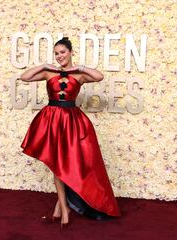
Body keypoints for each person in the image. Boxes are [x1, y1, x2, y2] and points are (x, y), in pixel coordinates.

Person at [20, 37, 120, 228]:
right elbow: (24, 77)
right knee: (57, 162)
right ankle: (64, 208)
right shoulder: (49, 73)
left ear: (70, 52)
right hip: (52, 120)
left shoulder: (79, 75)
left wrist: (79, 68)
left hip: (72, 121)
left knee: (72, 162)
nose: (59, 56)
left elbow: (99, 76)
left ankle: (60, 206)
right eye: (56, 53)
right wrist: (43, 65)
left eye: (63, 52)